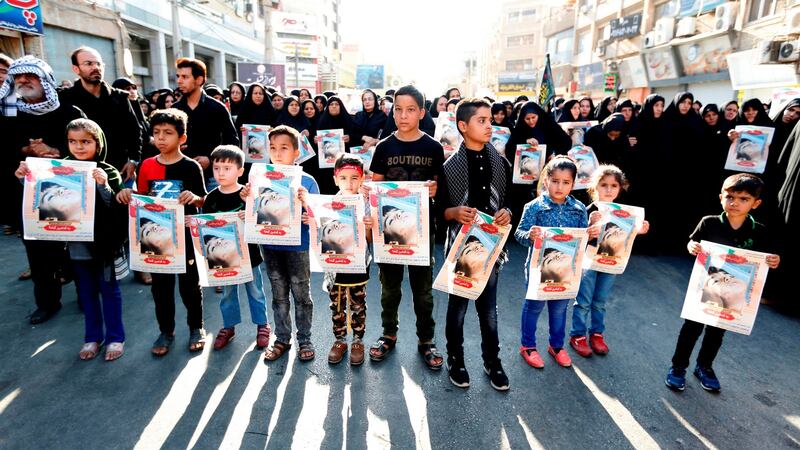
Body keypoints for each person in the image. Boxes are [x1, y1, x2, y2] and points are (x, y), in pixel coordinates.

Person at [16, 119, 128, 360]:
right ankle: (92, 338)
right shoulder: (57, 167)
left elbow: (115, 207)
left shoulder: (107, 170)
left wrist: (103, 185)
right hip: (75, 246)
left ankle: (116, 338)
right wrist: (24, 177)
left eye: (85, 142)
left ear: (98, 144)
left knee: (109, 291)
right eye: (72, 141)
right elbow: (37, 195)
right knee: (86, 293)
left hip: (104, 245)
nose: (78, 147)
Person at [665, 174, 780, 392]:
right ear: (721, 197)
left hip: (732, 294)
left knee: (717, 331)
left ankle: (704, 367)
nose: (735, 203)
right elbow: (693, 241)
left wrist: (774, 260)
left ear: (756, 203)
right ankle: (678, 367)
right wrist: (692, 247)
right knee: (691, 327)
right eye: (730, 196)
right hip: (705, 288)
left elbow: (766, 258)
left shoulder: (760, 231)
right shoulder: (709, 222)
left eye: (744, 199)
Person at [0, 55, 86, 324]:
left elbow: (90, 147)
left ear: (45, 80)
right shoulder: (8, 112)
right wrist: (24, 151)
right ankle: (47, 302)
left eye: (30, 76)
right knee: (39, 253)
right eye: (18, 77)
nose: (23, 81)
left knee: (78, 248)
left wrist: (55, 151)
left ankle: (86, 295)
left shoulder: (69, 112)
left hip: (69, 193)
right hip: (28, 196)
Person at [115, 108, 207, 356]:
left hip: (185, 237)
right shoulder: (146, 165)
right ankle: (166, 330)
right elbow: (143, 198)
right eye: (156, 133)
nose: (161, 138)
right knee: (161, 288)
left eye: (168, 133)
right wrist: (128, 193)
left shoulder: (191, 167)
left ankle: (196, 327)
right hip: (155, 236)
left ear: (182, 138)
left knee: (189, 285)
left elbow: (203, 201)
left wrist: (195, 198)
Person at [368, 85, 445, 370]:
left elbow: (442, 187)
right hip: (389, 233)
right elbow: (375, 185)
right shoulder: (384, 146)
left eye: (410, 109)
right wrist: (369, 196)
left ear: (422, 112)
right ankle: (388, 334)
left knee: (422, 291)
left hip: (422, 233)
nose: (403, 115)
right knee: (390, 289)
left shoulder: (433, 147)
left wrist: (437, 189)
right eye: (398, 109)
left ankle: (426, 340)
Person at [437, 98, 512, 391]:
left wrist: (507, 212)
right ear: (463, 126)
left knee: (489, 311)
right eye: (482, 120)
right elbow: (440, 211)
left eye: (490, 120)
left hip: (491, 249)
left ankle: (492, 361)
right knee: (457, 309)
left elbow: (508, 202)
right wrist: (453, 212)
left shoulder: (501, 162)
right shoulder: (449, 167)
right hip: (461, 248)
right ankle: (456, 360)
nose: (489, 125)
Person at [242, 125, 319, 362]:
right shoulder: (259, 177)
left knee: (301, 294)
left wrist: (308, 209)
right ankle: (282, 338)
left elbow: (318, 214)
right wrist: (246, 197)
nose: (277, 153)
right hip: (271, 246)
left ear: (296, 152)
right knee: (279, 294)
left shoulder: (306, 180)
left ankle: (305, 339)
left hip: (298, 247)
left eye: (284, 148)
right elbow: (253, 209)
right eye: (272, 148)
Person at [515, 156, 594, 368]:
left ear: (573, 184)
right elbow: (518, 234)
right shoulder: (534, 207)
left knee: (559, 309)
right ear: (546, 180)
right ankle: (528, 346)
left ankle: (557, 346)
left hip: (565, 270)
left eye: (566, 182)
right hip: (538, 268)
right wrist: (528, 235)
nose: (560, 187)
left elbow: (582, 241)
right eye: (555, 181)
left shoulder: (578, 209)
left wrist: (590, 234)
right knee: (534, 306)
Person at [569, 165, 649, 358]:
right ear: (594, 187)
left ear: (620, 188)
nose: (608, 189)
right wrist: (589, 225)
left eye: (614, 185)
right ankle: (577, 335)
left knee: (600, 301)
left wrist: (639, 230)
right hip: (588, 260)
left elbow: (624, 236)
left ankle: (596, 334)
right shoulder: (586, 210)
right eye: (604, 184)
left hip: (611, 261)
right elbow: (576, 237)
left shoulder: (626, 213)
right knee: (584, 300)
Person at [201, 145, 271, 351]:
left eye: (227, 168)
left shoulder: (248, 194)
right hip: (223, 259)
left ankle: (262, 326)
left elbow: (261, 221)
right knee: (228, 294)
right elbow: (206, 225)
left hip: (250, 256)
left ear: (240, 171)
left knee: (256, 292)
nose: (221, 173)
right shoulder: (212, 197)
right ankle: (228, 327)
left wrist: (248, 215)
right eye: (217, 168)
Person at [317, 154, 373, 365]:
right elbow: (321, 235)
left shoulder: (365, 205)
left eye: (354, 178)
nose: (348, 183)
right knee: (337, 305)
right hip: (335, 267)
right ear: (335, 179)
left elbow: (369, 240)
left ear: (362, 180)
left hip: (358, 266)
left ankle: (358, 341)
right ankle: (339, 340)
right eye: (343, 178)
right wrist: (310, 220)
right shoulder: (327, 205)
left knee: (358, 304)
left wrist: (368, 227)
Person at [59, 47, 142, 182]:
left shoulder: (119, 97)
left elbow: (134, 131)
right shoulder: (66, 98)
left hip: (119, 171)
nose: (95, 67)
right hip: (80, 173)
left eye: (98, 64)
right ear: (76, 69)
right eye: (89, 63)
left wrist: (134, 160)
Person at [172, 57, 238, 189]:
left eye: (185, 77)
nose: (179, 81)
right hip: (180, 176)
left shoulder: (217, 108)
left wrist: (211, 159)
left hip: (212, 176)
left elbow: (232, 142)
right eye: (178, 76)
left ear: (199, 80)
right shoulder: (174, 110)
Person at [506, 101, 571, 227]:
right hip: (525, 176)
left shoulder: (549, 125)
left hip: (548, 172)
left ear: (539, 115)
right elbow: (509, 149)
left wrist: (555, 154)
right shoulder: (520, 130)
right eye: (527, 119)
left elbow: (565, 142)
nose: (531, 121)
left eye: (533, 117)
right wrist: (525, 142)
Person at [315, 96, 361, 194]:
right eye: (331, 104)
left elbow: (359, 137)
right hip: (327, 166)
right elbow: (315, 140)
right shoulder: (322, 121)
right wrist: (315, 140)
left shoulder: (349, 120)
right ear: (328, 107)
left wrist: (350, 138)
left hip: (346, 163)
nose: (334, 106)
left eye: (337, 104)